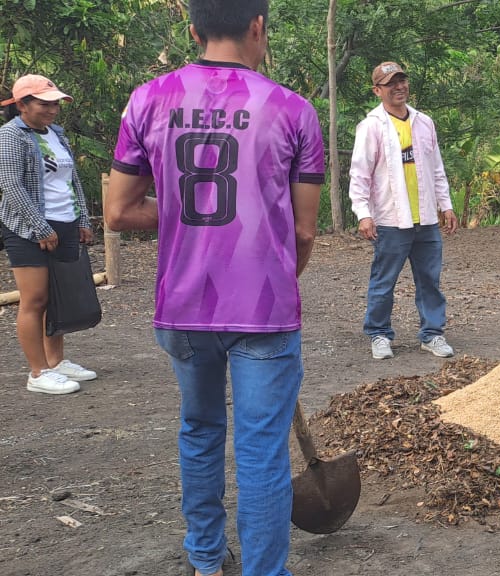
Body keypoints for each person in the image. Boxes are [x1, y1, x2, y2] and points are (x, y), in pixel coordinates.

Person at [104, 1, 325, 574]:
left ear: (194, 29)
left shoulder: (147, 100)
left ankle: (205, 558)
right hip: (265, 308)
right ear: (258, 25)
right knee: (261, 450)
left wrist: (186, 211)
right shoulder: (293, 110)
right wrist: (279, 278)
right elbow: (304, 230)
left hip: (182, 305)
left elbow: (118, 212)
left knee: (199, 429)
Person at [348, 61, 459, 360]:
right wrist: (363, 213)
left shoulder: (424, 122)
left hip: (426, 218)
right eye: (391, 84)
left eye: (402, 81)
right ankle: (379, 334)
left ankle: (432, 334)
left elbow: (436, 168)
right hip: (390, 219)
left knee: (430, 280)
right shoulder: (372, 126)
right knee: (384, 281)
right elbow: (360, 174)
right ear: (377, 91)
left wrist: (446, 205)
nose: (399, 87)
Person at [0, 75, 98, 395]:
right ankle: (38, 372)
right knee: (35, 298)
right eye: (44, 104)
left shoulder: (56, 133)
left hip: (64, 220)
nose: (53, 110)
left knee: (57, 296)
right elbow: (11, 185)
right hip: (27, 228)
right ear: (22, 104)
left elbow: (72, 180)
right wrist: (39, 226)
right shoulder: (11, 135)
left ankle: (56, 361)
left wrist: (83, 218)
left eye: (56, 103)